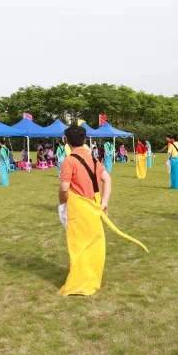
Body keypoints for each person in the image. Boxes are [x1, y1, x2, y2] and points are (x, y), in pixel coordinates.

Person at [58, 125, 112, 296]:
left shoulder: (69, 161)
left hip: (79, 209)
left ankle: (81, 281)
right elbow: (107, 179)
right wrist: (104, 202)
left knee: (79, 245)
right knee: (94, 244)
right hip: (94, 207)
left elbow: (64, 188)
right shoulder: (93, 159)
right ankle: (92, 278)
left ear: (67, 141)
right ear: (84, 139)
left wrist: (62, 204)